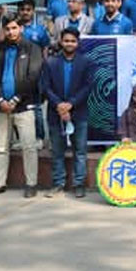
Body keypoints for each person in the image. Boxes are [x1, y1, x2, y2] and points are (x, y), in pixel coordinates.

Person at [0, 13, 44, 198]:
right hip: (0, 107)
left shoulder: (33, 49)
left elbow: (33, 77)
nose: (10, 32)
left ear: (21, 28)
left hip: (24, 105)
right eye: (7, 28)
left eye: (14, 28)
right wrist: (1, 101)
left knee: (29, 146)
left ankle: (31, 183)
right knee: (0, 147)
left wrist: (16, 98)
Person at [41, 28, 92, 198]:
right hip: (55, 113)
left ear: (78, 43)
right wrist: (60, 105)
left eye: (73, 41)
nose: (69, 44)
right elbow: (45, 87)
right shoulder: (51, 62)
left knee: (80, 151)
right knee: (57, 151)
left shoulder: (86, 62)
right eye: (66, 40)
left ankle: (79, 184)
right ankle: (58, 183)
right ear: (61, 42)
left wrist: (70, 104)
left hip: (79, 112)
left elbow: (87, 87)